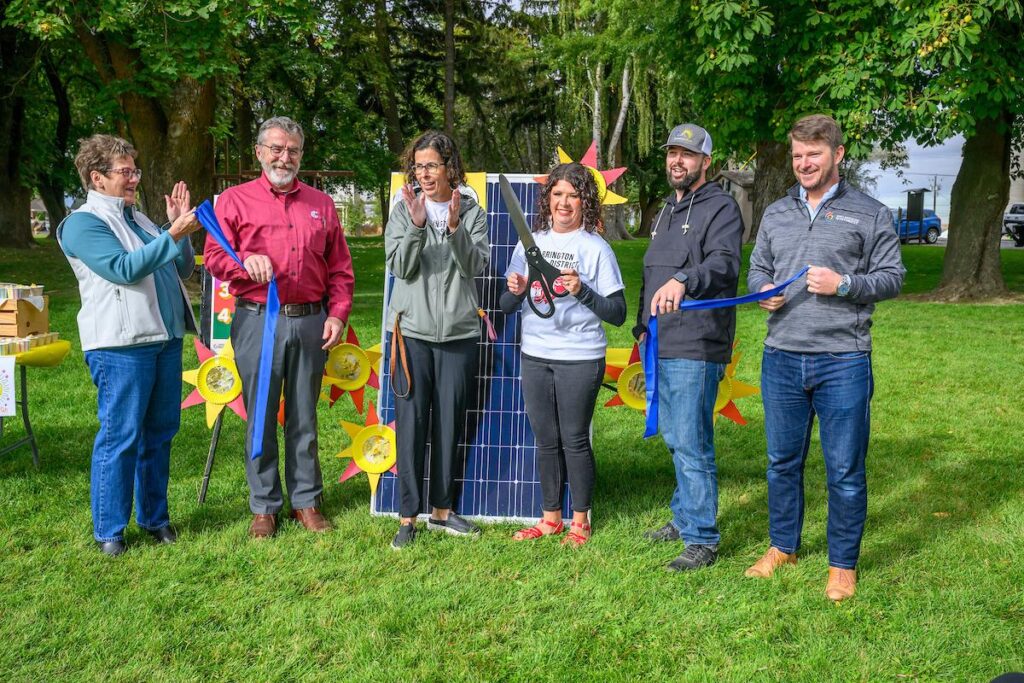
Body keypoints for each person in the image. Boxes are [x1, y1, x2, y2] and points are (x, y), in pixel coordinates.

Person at [746, 114, 905, 601]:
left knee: (844, 469)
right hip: (782, 358)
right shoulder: (775, 212)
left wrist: (846, 285)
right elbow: (757, 269)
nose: (803, 164)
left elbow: (893, 277)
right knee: (781, 462)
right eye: (796, 155)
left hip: (843, 360)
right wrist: (763, 291)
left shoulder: (871, 212)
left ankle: (842, 565)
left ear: (837, 154)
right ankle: (783, 546)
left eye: (813, 154)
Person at [204, 116, 354, 539]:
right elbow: (215, 256)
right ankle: (264, 505)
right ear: (259, 152)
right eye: (276, 148)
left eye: (292, 150)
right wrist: (242, 263)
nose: (284, 157)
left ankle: (306, 500)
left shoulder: (321, 204)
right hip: (257, 321)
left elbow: (340, 268)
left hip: (310, 322)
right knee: (261, 414)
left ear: (301, 155)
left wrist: (338, 313)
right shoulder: (234, 201)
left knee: (304, 415)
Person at [58, 134, 202, 556]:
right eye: (126, 171)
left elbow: (184, 267)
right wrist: (171, 232)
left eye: (135, 170)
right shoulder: (83, 223)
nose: (134, 178)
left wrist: (180, 232)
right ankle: (110, 531)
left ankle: (155, 520)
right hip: (120, 345)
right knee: (120, 436)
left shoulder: (138, 218)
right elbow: (122, 269)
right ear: (97, 177)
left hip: (164, 338)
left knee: (159, 434)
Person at [634, 123, 745, 571]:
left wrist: (686, 279)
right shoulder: (665, 210)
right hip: (659, 338)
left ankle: (702, 539)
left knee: (692, 441)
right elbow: (650, 272)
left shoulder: (721, 208)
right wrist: (641, 327)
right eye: (671, 153)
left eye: (686, 154)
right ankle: (683, 519)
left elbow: (723, 265)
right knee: (676, 436)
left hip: (697, 340)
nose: (676, 161)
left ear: (705, 162)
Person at [500, 162, 626, 546]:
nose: (564, 202)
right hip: (535, 353)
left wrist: (582, 291)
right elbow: (506, 305)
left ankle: (580, 521)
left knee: (574, 439)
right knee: (545, 440)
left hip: (580, 356)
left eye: (573, 195)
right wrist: (517, 290)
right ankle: (550, 518)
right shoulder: (530, 242)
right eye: (558, 194)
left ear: (584, 201)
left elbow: (618, 314)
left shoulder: (595, 248)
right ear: (548, 198)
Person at [385, 130, 490, 549]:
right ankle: (408, 517)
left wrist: (454, 228)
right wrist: (415, 225)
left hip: (459, 335)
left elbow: (475, 266)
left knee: (449, 424)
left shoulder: (472, 212)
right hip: (411, 335)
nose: (424, 174)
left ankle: (442, 512)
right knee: (412, 426)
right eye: (419, 166)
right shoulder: (402, 210)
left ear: (450, 168)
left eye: (432, 165)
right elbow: (400, 268)